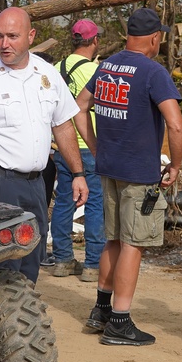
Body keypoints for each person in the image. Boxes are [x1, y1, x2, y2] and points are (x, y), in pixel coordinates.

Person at [73, 7, 182, 347]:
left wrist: (94, 147)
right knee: (133, 244)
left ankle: (101, 310)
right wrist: (176, 166)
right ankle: (120, 322)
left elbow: (80, 106)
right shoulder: (153, 72)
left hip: (108, 167)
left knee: (113, 239)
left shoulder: (106, 65)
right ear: (155, 38)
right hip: (138, 172)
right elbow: (176, 124)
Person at [0, 7, 89, 283]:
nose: (4, 44)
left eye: (13, 36)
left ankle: (23, 320)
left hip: (36, 184)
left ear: (31, 35)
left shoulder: (47, 73)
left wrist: (78, 174)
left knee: (31, 257)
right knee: (2, 264)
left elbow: (62, 124)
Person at [49, 18, 106, 282]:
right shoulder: (95, 71)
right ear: (94, 41)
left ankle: (62, 260)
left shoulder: (55, 68)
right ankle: (93, 264)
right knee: (95, 203)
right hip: (89, 146)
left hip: (63, 145)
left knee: (63, 201)